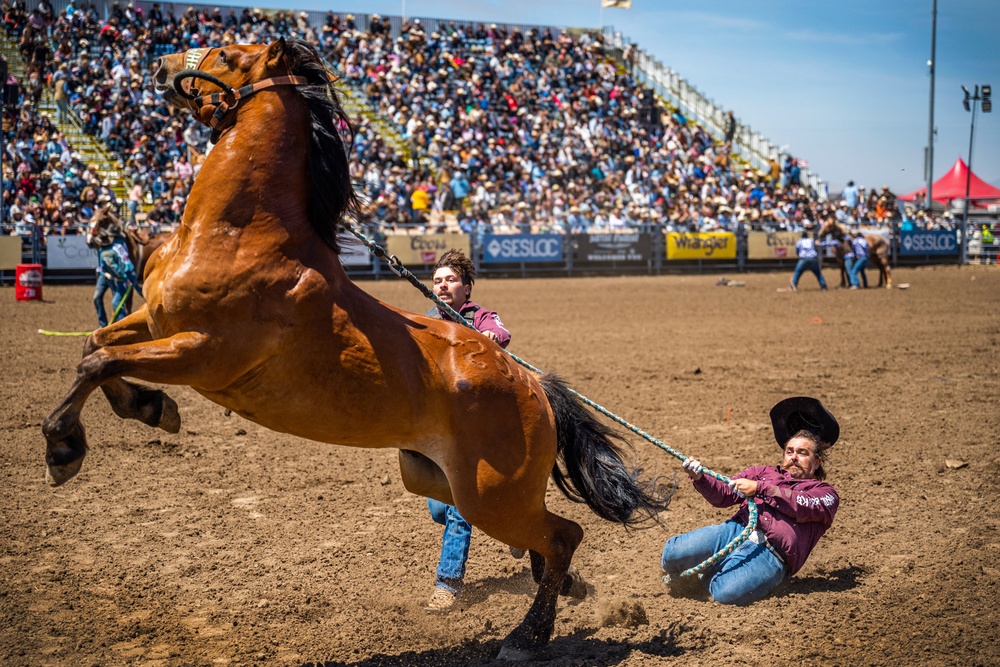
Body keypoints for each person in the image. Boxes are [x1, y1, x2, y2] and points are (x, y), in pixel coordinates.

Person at [661, 397, 840, 605]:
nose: (793, 457)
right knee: (672, 553)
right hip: (735, 530)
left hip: (772, 556)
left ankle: (706, 575)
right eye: (789, 451)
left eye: (802, 453)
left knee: (725, 594)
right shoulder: (762, 472)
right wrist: (700, 477)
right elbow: (724, 494)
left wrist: (759, 488)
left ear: (817, 461)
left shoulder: (825, 494)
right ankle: (710, 570)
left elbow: (800, 503)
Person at [423, 249, 512, 612]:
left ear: (466, 287)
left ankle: (447, 583)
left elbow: (501, 335)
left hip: (474, 425)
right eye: (438, 281)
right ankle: (512, 519)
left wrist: (475, 334)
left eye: (450, 280)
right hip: (437, 426)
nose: (443, 286)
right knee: (438, 509)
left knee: (459, 510)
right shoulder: (424, 319)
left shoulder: (480, 317)